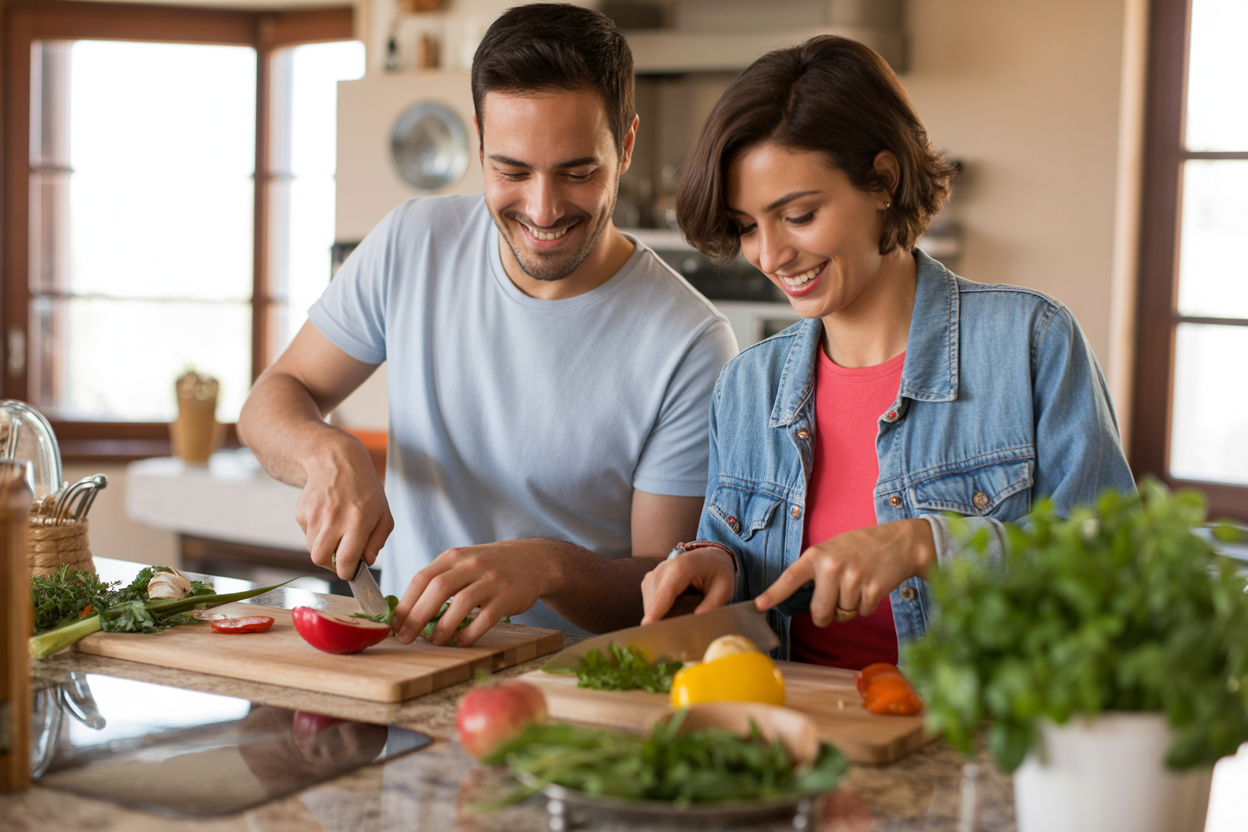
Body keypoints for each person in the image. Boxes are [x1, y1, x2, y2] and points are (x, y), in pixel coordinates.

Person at [238, 4, 737, 646]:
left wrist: (548, 566)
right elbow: (270, 401)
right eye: (512, 171)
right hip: (409, 663)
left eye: (578, 172)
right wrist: (327, 452)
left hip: (570, 688)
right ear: (478, 141)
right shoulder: (412, 243)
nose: (543, 209)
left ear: (628, 145)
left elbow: (664, 597)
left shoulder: (690, 342)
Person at [639, 36, 1135, 668]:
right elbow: (743, 585)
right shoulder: (747, 385)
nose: (770, 255)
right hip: (788, 721)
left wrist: (929, 545)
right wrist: (715, 566)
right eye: (746, 227)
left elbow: (1113, 572)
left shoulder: (1031, 343)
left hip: (969, 727)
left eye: (799, 215)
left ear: (883, 180)